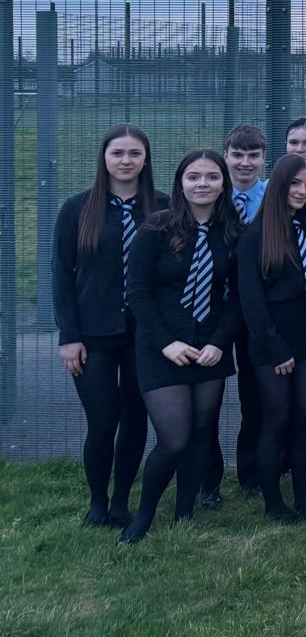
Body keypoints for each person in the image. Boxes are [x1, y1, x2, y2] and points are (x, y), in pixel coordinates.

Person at [120, 150, 243, 543]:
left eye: (210, 177)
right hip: (161, 348)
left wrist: (220, 344)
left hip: (210, 349)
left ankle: (185, 511)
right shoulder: (155, 229)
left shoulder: (233, 231)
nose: (202, 184)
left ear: (223, 183)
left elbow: (238, 298)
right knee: (173, 438)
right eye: (193, 177)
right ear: (181, 182)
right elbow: (137, 294)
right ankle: (142, 517)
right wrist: (166, 343)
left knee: (201, 434)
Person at [52, 124, 162, 529]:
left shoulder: (162, 209)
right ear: (104, 158)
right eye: (118, 153)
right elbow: (62, 275)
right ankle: (97, 503)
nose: (126, 161)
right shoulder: (77, 209)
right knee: (102, 422)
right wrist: (69, 336)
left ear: (146, 160)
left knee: (136, 418)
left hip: (144, 335)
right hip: (93, 334)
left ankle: (121, 502)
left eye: (134, 153)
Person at [237, 155, 306, 522]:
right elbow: (251, 301)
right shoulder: (256, 235)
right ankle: (273, 502)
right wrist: (275, 348)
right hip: (271, 345)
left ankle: (302, 496)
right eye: (295, 184)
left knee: (305, 417)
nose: (302, 191)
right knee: (276, 418)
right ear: (279, 185)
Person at [216, 123, 268, 501]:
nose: (245, 163)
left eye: (253, 155)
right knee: (207, 399)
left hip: (257, 311)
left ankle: (252, 471)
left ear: (264, 159)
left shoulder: (274, 197)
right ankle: (206, 478)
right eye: (238, 155)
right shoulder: (210, 193)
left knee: (256, 395)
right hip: (214, 309)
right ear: (226, 156)